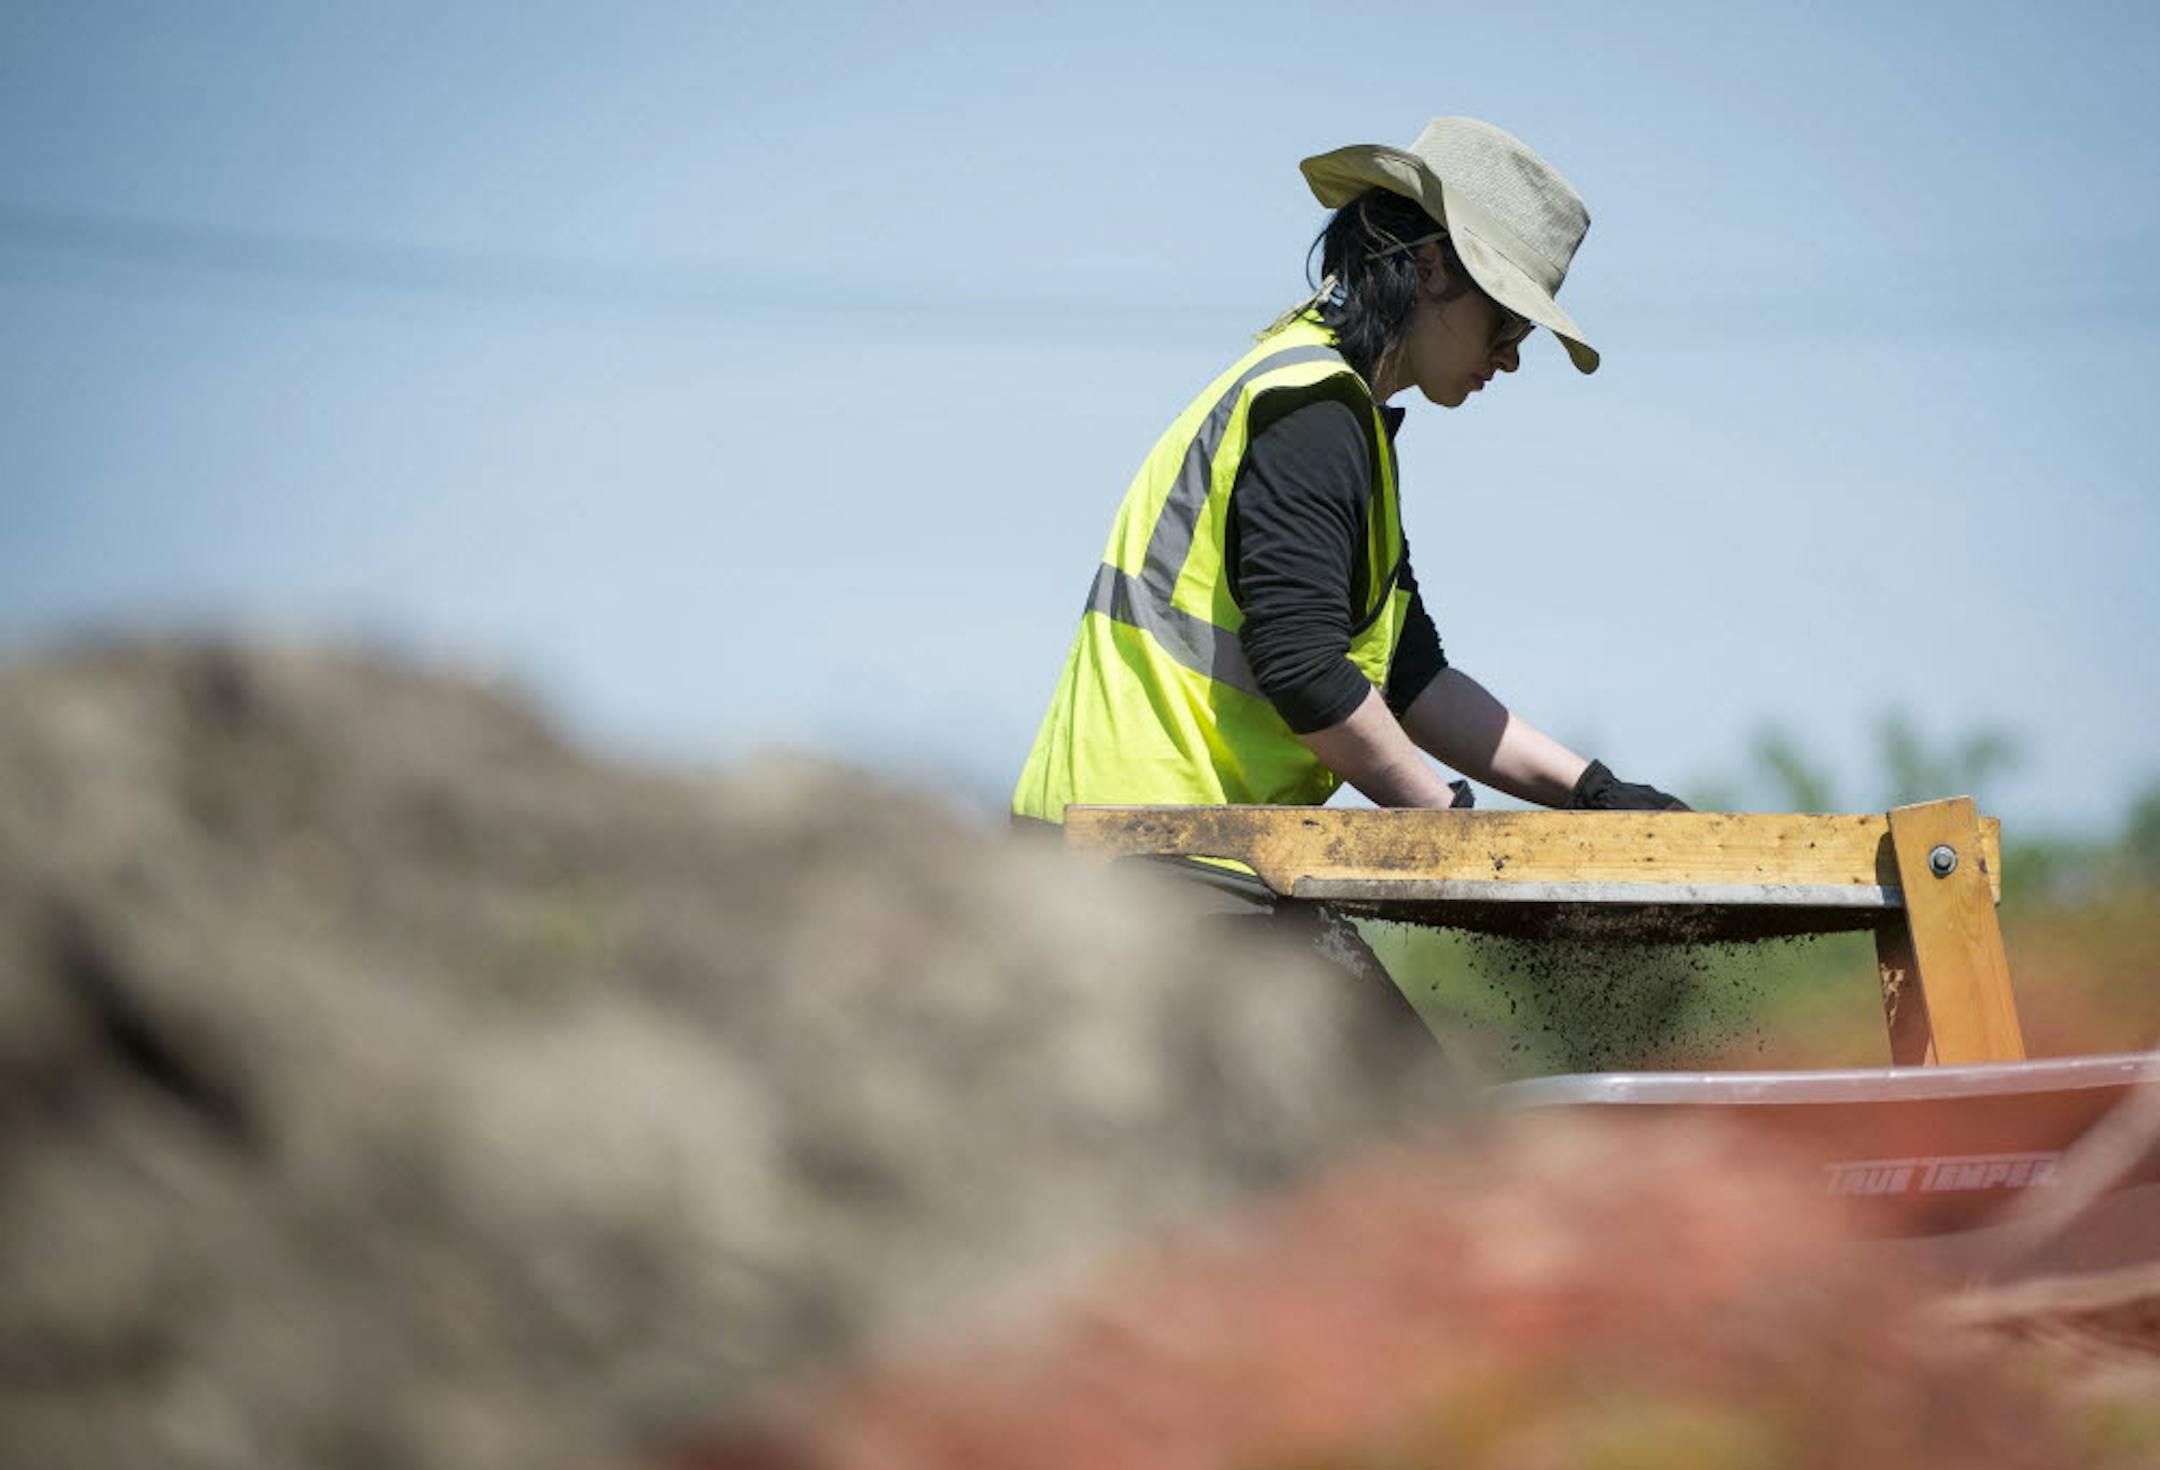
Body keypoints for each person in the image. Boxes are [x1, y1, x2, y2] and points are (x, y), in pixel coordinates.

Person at [1014, 116, 1687, 828]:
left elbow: (1410, 678)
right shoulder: (1314, 411)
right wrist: (1447, 824)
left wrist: (1595, 793)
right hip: (1142, 845)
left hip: (1158, 833)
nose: (1512, 356)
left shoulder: (1333, 409)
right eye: (1509, 320)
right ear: (1430, 266)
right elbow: (1303, 666)